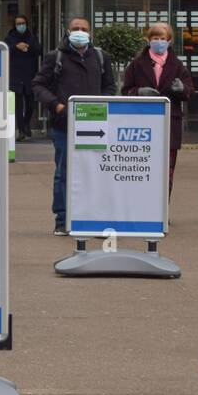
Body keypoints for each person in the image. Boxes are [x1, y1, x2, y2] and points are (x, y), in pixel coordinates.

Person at [32, 17, 115, 235]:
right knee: (64, 173)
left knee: (94, 172)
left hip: (95, 125)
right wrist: (57, 106)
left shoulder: (100, 57)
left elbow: (110, 87)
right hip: (64, 125)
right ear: (68, 31)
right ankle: (63, 219)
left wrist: (100, 103)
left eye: (84, 29)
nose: (80, 32)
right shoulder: (55, 57)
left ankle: (92, 219)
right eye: (76, 29)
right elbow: (38, 85)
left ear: (91, 33)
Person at [120, 21, 195, 194]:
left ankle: (163, 211)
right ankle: (144, 211)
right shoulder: (137, 64)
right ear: (148, 40)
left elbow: (190, 91)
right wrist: (139, 92)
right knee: (143, 169)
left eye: (162, 38)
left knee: (167, 171)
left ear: (169, 41)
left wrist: (182, 89)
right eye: (155, 38)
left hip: (170, 124)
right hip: (143, 124)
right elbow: (125, 91)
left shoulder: (177, 65)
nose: (159, 41)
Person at [3, 14, 42, 141]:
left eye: (23, 23)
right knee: (18, 107)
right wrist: (16, 46)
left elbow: (38, 50)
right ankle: (21, 131)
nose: (21, 26)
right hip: (15, 76)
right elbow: (5, 50)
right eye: (18, 24)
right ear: (15, 25)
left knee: (31, 105)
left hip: (30, 76)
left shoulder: (32, 37)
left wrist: (28, 47)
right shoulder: (10, 38)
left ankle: (26, 124)